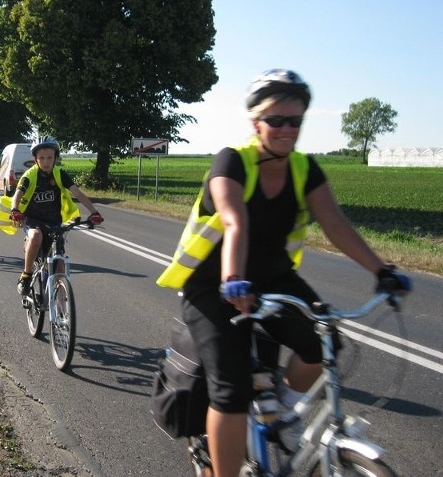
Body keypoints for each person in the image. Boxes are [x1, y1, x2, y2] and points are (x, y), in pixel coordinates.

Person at [156, 69, 411, 477]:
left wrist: (383, 271)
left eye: (295, 121)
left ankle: (284, 416)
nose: (287, 129)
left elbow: (335, 224)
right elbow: (234, 220)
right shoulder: (232, 162)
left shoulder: (304, 169)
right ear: (256, 122)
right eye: (276, 120)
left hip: (272, 277)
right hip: (213, 282)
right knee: (232, 387)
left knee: (322, 344)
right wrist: (232, 280)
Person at [9, 136, 103, 294]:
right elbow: (18, 193)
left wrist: (94, 212)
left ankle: (59, 306)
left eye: (50, 158)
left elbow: (77, 193)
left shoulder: (60, 174)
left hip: (53, 222)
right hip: (32, 220)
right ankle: (26, 275)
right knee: (36, 236)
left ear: (56, 158)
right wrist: (15, 210)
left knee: (59, 265)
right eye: (41, 158)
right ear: (35, 159)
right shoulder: (30, 175)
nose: (46, 162)